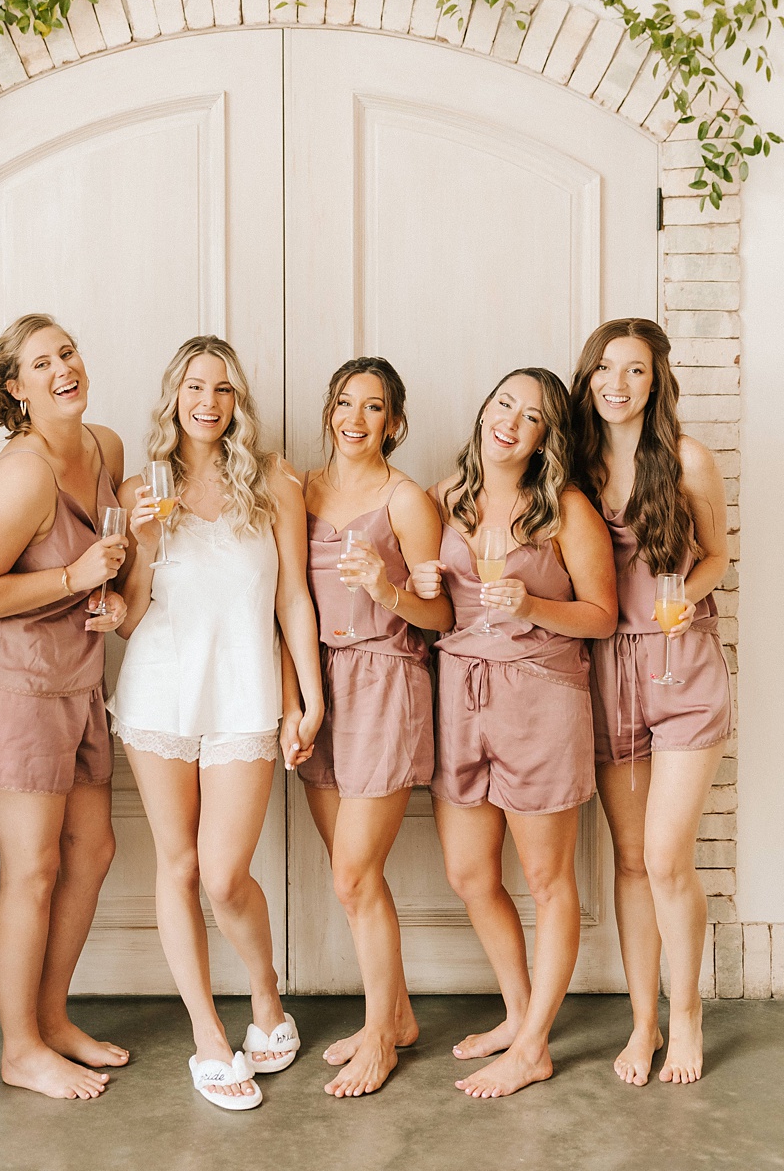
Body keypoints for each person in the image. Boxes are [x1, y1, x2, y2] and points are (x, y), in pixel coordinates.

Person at [110, 335, 321, 1111]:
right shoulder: (143, 487)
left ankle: (266, 1001)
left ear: (238, 404)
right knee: (179, 865)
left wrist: (307, 697)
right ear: (173, 397)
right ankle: (207, 1033)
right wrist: (132, 544)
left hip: (245, 692)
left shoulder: (275, 482)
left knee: (226, 873)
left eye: (223, 390)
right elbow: (132, 617)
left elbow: (294, 598)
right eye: (195, 387)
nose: (208, 402)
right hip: (160, 691)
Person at [416, 367, 617, 1099]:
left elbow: (601, 615)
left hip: (542, 695)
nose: (510, 422)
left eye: (531, 417)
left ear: (545, 438)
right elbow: (417, 589)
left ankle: (534, 1044)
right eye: (504, 403)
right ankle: (516, 1012)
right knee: (470, 874)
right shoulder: (445, 497)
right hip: (461, 696)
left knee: (546, 880)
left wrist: (532, 602)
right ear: (485, 409)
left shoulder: (563, 508)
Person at [0, 315, 127, 1101]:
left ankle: (51, 1020)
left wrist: (114, 600)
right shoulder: (22, 475)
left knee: (93, 852)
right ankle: (19, 1049)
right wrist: (74, 580)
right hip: (17, 689)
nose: (63, 369)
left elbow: (108, 564)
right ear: (16, 389)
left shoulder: (105, 448)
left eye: (69, 352)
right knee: (34, 869)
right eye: (42, 363)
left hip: (80, 683)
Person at [571, 318, 732, 1086]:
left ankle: (688, 1014)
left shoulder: (688, 459)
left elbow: (718, 558)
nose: (617, 384)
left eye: (634, 371)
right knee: (633, 861)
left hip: (683, 668)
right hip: (607, 673)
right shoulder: (570, 465)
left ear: (657, 380)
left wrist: (684, 596)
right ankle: (642, 1025)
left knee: (668, 857)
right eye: (605, 369)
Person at [297, 358, 452, 1097]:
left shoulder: (406, 500)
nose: (355, 420)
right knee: (353, 878)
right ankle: (397, 1016)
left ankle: (380, 1042)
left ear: (393, 422)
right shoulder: (302, 490)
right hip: (319, 688)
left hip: (387, 682)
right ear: (330, 411)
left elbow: (442, 616)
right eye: (345, 404)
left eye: (373, 408)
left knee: (354, 873)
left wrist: (386, 589)